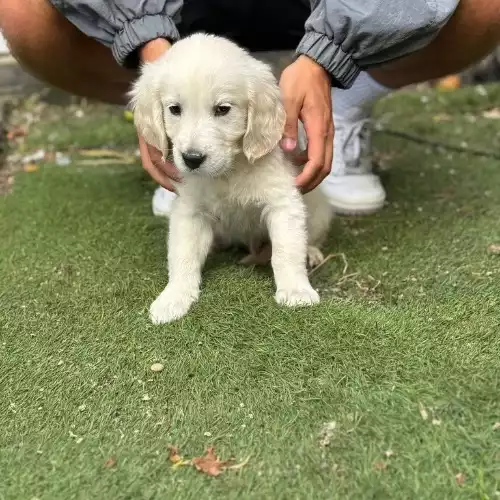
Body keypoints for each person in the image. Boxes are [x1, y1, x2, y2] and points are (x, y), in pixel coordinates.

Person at [1, 0, 499, 215]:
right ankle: (186, 121)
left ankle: (343, 104)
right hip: (183, 9)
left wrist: (331, 52)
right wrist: (153, 53)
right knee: (21, 12)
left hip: (318, 5)